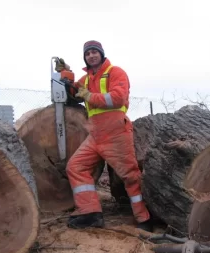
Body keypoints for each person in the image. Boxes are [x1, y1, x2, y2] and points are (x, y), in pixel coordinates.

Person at [56, 40, 153, 232]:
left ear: (101, 53)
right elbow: (74, 92)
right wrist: (65, 74)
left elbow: (118, 97)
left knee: (130, 176)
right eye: (88, 53)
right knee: (76, 167)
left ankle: (144, 218)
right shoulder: (85, 80)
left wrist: (90, 97)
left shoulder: (116, 72)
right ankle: (90, 212)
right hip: (95, 135)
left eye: (94, 52)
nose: (91, 55)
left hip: (116, 131)